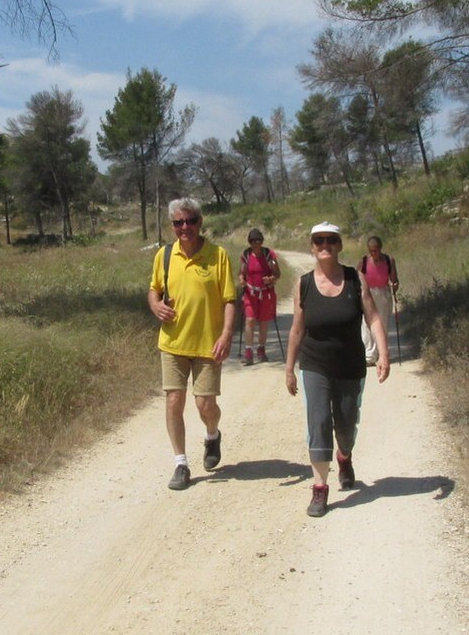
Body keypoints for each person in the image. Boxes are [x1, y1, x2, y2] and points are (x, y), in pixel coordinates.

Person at [284, 221, 390, 518]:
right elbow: (296, 329)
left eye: (331, 240)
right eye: (319, 241)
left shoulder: (356, 280)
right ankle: (320, 488)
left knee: (345, 426)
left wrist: (384, 353)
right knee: (318, 421)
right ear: (312, 246)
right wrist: (290, 368)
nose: (325, 245)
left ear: (340, 245)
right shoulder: (303, 284)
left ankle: (344, 456)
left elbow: (374, 318)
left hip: (350, 365)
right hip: (315, 364)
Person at [148, 198, 237, 491]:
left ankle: (212, 435)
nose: (184, 227)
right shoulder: (164, 255)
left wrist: (225, 335)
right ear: (172, 226)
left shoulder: (218, 255)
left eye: (190, 221)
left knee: (205, 404)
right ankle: (181, 464)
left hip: (208, 344)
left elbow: (229, 300)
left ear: (200, 222)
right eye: (178, 222)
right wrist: (156, 306)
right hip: (172, 342)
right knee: (174, 400)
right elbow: (154, 291)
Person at [238, 228, 281, 365]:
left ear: (262, 241)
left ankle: (261, 349)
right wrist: (241, 280)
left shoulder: (269, 255)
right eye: (252, 241)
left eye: (258, 240)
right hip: (250, 293)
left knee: (263, 321)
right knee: (250, 320)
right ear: (249, 242)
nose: (255, 243)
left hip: (266, 293)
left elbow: (277, 273)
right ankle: (248, 352)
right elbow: (241, 272)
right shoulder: (246, 255)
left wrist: (271, 278)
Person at [357, 236, 399, 366]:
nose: (374, 253)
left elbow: (394, 279)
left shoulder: (388, 260)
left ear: (380, 248)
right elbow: (358, 279)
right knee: (367, 324)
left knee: (382, 323)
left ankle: (382, 354)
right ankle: (369, 356)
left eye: (376, 250)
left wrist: (394, 286)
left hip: (383, 294)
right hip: (368, 293)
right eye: (371, 251)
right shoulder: (363, 262)